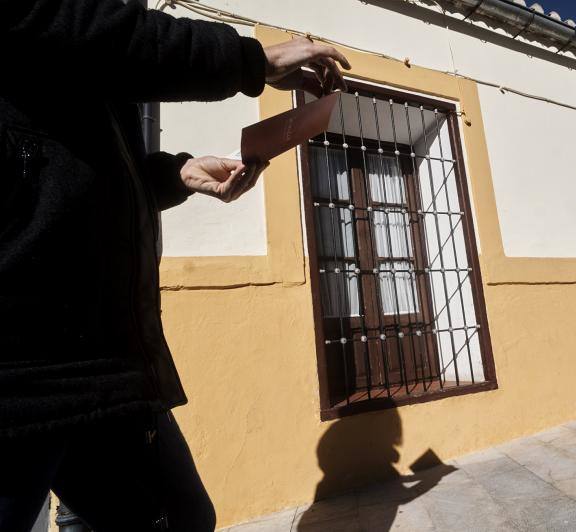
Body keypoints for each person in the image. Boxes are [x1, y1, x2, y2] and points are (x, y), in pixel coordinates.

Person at [0, 1, 350, 531]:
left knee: (183, 518)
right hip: (17, 365)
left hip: (101, 359)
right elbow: (102, 36)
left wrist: (175, 174)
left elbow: (73, 167)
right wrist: (252, 61)